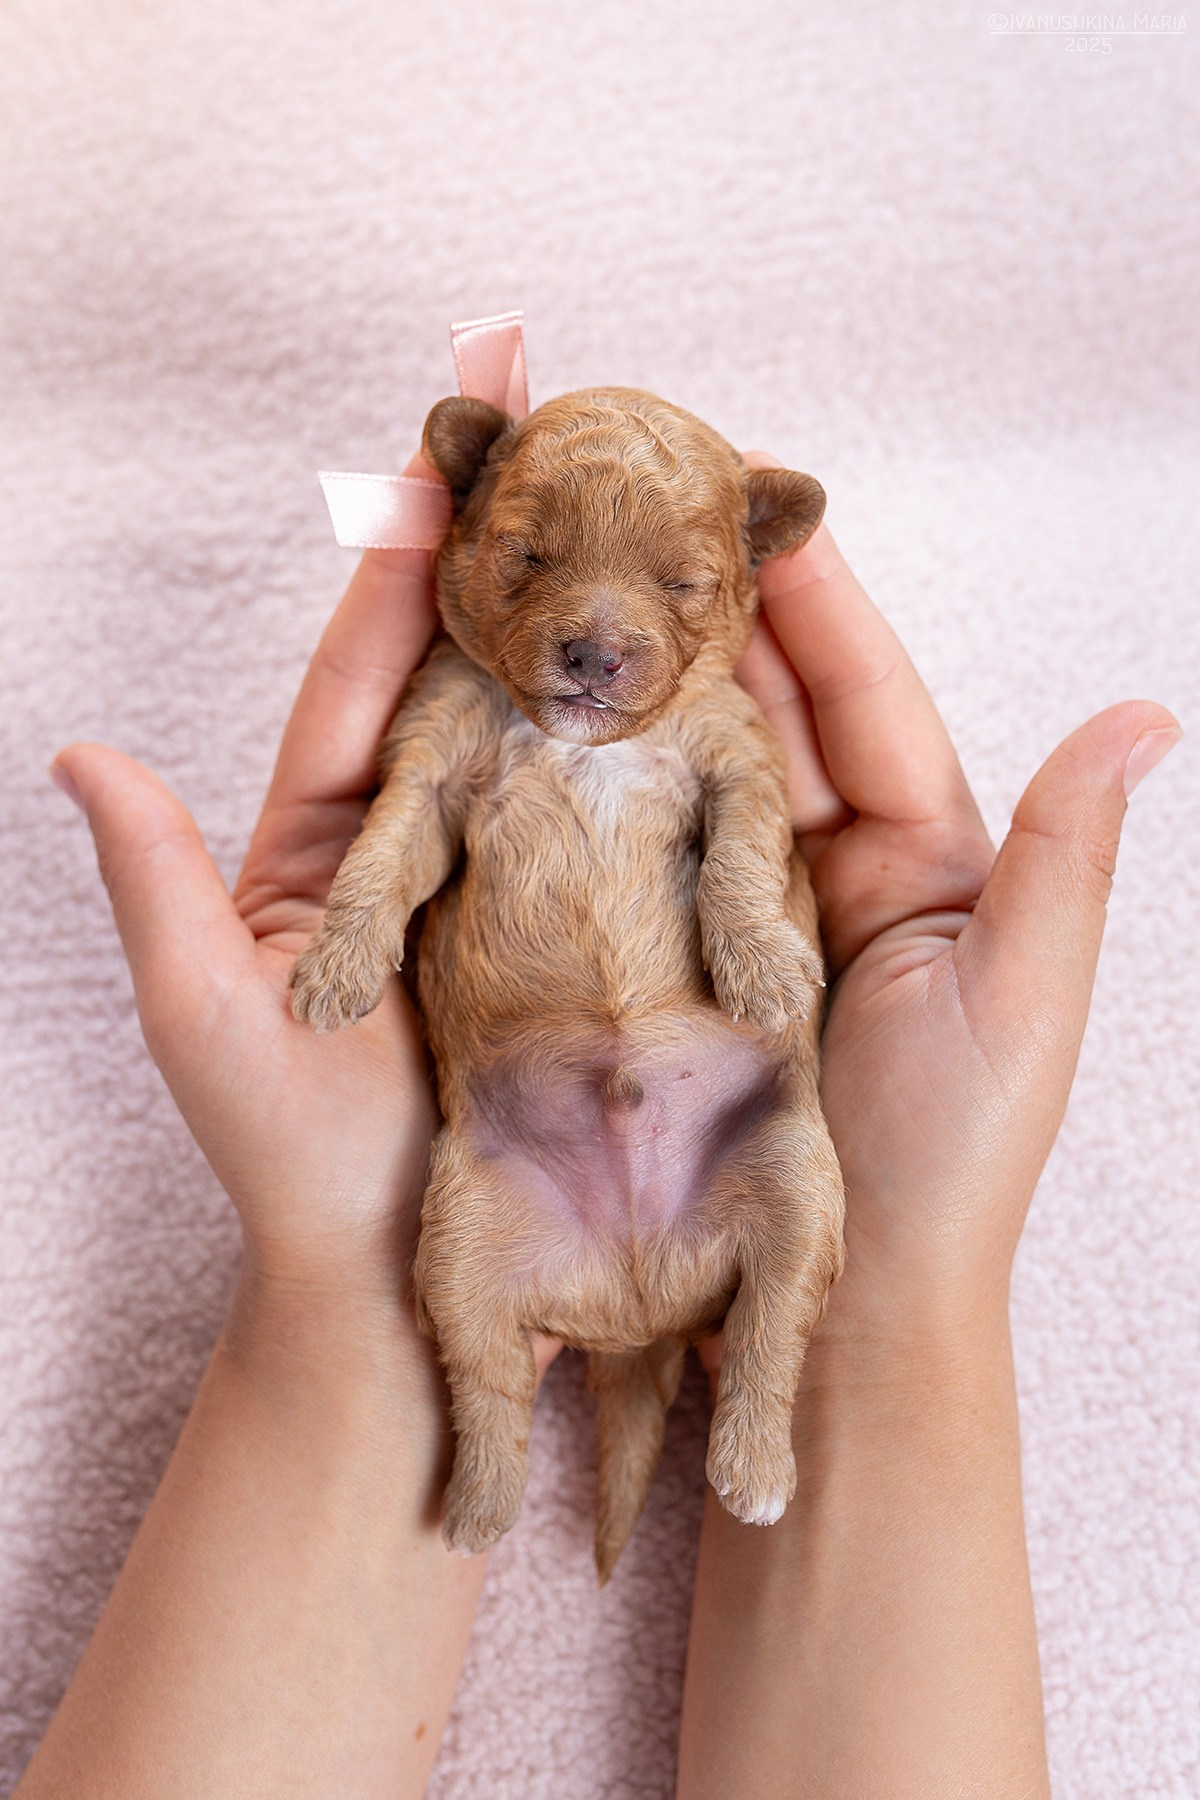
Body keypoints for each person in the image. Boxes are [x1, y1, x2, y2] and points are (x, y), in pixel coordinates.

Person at [15, 447, 1178, 1800]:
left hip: (730, 1120)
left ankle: (755, 1411)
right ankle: (490, 1436)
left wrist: (751, 929)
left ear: (747, 567)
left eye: (676, 584)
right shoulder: (456, 700)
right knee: (454, 1227)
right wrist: (360, 940)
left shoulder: (721, 721)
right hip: (517, 1140)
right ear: (468, 528)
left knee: (802, 1180)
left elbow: (750, 818)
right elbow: (407, 821)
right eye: (530, 557)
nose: (595, 628)